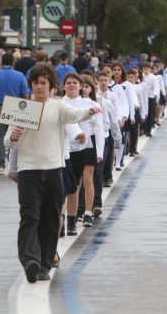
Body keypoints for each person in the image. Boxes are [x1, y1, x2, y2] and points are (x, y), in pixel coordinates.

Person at [9, 64, 99, 283]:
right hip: (29, 171)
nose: (39, 87)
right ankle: (30, 260)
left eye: (43, 83)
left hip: (53, 170)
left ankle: (45, 264)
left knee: (50, 220)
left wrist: (89, 112)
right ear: (30, 84)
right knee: (29, 217)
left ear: (50, 86)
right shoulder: (23, 107)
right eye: (35, 83)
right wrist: (11, 141)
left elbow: (75, 115)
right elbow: (10, 141)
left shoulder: (58, 107)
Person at [62, 73, 103, 227]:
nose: (72, 85)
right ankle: (67, 217)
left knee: (85, 180)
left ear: (80, 86)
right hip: (66, 148)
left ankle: (87, 212)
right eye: (68, 82)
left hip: (85, 147)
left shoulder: (89, 103)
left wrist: (99, 151)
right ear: (63, 86)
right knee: (70, 185)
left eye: (75, 82)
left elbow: (98, 128)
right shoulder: (60, 103)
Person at [0, 53, 31, 174]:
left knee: (0, 137)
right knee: (15, 135)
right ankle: (14, 164)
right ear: (13, 63)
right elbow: (25, 94)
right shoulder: (20, 75)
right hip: (15, 107)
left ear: (1, 62)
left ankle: (0, 165)